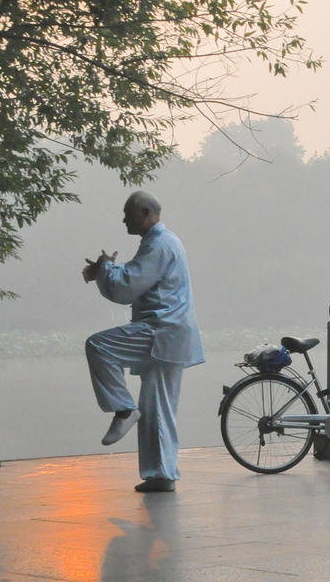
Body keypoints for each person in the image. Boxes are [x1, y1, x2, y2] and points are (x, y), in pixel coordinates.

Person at [82, 190, 204, 493]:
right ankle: (161, 474)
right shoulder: (160, 243)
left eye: (129, 213)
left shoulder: (159, 244)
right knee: (157, 406)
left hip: (161, 330)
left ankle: (123, 408)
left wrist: (105, 269)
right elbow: (136, 277)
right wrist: (103, 271)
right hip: (169, 333)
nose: (124, 219)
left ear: (147, 213)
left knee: (99, 346)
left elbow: (125, 287)